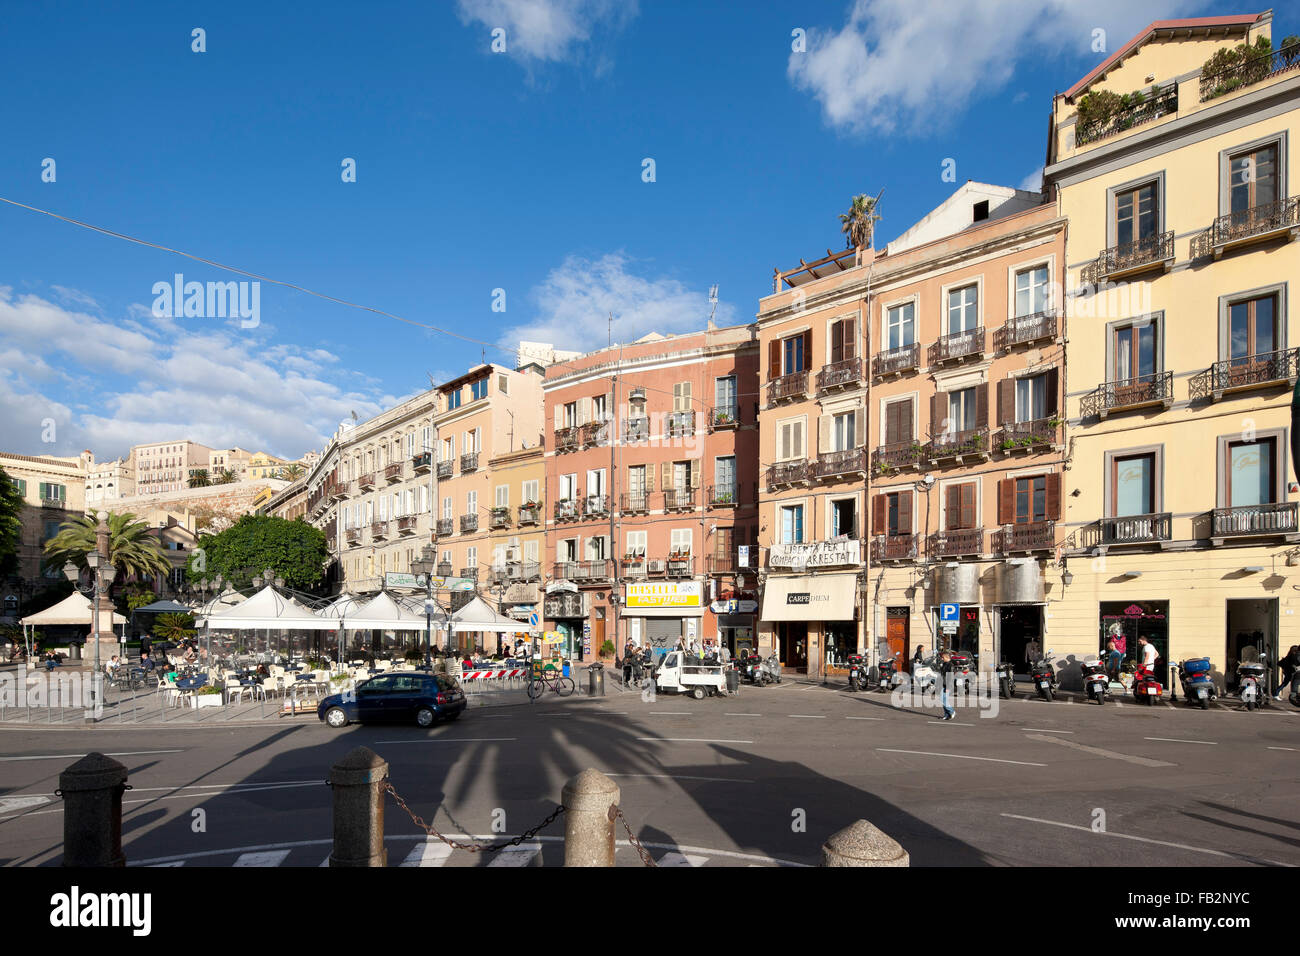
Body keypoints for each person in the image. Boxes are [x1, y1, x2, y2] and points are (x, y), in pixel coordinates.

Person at [938, 650, 956, 720]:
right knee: (942, 700)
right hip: (943, 684)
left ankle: (952, 711)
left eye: (943, 657)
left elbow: (950, 677)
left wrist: (948, 687)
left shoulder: (950, 665)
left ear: (946, 657)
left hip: (948, 685)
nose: (941, 659)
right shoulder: (944, 664)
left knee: (945, 701)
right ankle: (946, 714)